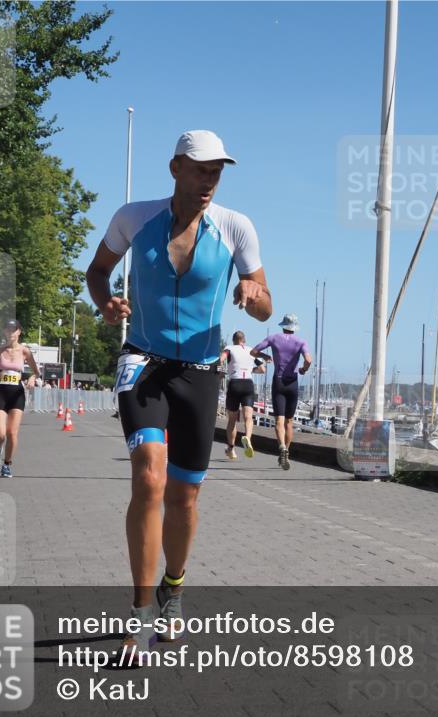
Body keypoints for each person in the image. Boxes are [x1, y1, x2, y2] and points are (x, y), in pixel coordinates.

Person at [86, 129, 271, 653]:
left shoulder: (236, 227)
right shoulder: (133, 218)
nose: (210, 179)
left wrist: (254, 295)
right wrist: (105, 303)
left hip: (200, 373)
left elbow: (264, 303)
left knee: (184, 498)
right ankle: (140, 612)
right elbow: (97, 271)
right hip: (142, 362)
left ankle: (175, 587)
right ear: (175, 168)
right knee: (149, 476)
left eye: (217, 171)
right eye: (201, 169)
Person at [252, 314, 311, 471]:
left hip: (278, 381)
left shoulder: (273, 338)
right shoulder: (301, 342)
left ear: (283, 325)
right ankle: (287, 451)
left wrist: (265, 356)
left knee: (279, 421)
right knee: (289, 422)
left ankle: (282, 447)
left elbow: (254, 351)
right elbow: (309, 359)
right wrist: (303, 369)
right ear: (295, 327)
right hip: (292, 383)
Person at [0, 320, 40, 478]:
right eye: (8, 330)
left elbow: (36, 371)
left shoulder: (25, 351)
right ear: (4, 332)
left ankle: (7, 464)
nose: (11, 333)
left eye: (14, 330)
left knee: (12, 433)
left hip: (17, 393)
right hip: (0, 392)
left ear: (19, 332)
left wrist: (32, 378)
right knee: (0, 434)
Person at [219, 331, 265, 460]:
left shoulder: (229, 348)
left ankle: (231, 449)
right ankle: (248, 438)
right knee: (248, 417)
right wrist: (251, 370)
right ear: (244, 340)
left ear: (234, 340)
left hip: (235, 383)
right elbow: (262, 369)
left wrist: (220, 372)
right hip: (248, 385)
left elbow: (220, 360)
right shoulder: (251, 351)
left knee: (232, 419)